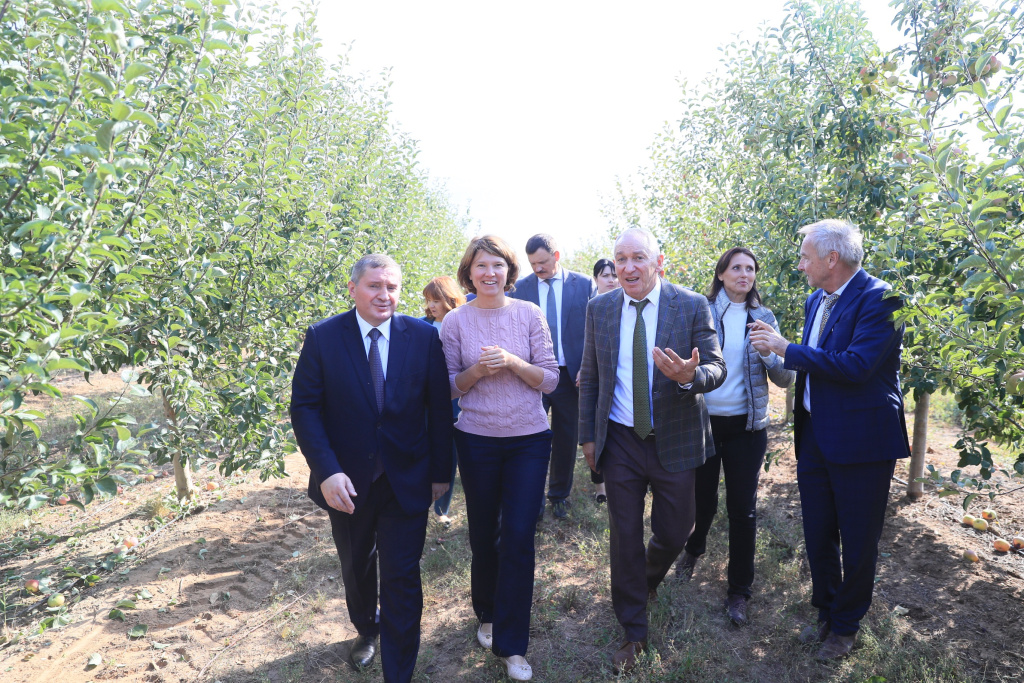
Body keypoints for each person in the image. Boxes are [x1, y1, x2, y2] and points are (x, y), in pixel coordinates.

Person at [749, 219, 910, 660]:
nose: (800, 264)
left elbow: (856, 366)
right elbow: (817, 364)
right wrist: (777, 355)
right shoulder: (815, 299)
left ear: (831, 259)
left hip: (861, 440)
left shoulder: (882, 299)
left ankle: (846, 626)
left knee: (858, 538)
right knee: (819, 530)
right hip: (816, 434)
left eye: (805, 256)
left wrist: (786, 349)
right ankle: (825, 612)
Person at [290, 255, 453, 683]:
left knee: (401, 576)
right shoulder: (324, 338)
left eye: (393, 287)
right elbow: (305, 408)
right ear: (353, 288)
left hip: (407, 478)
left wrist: (441, 472)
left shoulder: (421, 337)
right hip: (345, 482)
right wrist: (326, 470)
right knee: (357, 565)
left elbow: (438, 409)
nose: (385, 295)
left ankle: (398, 672)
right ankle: (366, 627)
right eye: (375, 286)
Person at [578, 228, 726, 675]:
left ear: (659, 261)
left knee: (677, 530)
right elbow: (591, 375)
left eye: (637, 258)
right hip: (621, 438)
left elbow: (716, 369)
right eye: (620, 259)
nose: (627, 268)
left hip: (674, 438)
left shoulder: (692, 304)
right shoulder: (599, 309)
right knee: (624, 535)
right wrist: (588, 436)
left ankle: (645, 580)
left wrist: (687, 376)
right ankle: (633, 629)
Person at [441, 235, 559, 681]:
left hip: (529, 439)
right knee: (484, 532)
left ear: (510, 272)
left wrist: (511, 361)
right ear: (468, 273)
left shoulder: (529, 314)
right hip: (476, 440)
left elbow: (549, 380)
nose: (489, 273)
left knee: (518, 536)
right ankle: (487, 612)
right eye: (480, 266)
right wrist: (475, 371)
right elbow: (449, 387)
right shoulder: (455, 322)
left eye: (497, 265)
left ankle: (512, 645)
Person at [673, 247, 795, 627]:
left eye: (751, 269)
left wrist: (772, 354)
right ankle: (694, 548)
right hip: (704, 423)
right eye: (737, 268)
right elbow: (685, 365)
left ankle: (739, 592)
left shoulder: (764, 318)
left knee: (742, 510)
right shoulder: (700, 310)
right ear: (722, 273)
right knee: (703, 503)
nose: (745, 274)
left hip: (747, 428)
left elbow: (786, 377)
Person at [508, 234, 596, 520]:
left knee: (566, 437)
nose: (538, 268)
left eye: (543, 262)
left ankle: (559, 495)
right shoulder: (520, 290)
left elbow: (593, 331)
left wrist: (588, 364)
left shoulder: (583, 285)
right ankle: (529, 496)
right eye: (533, 263)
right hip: (532, 374)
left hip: (570, 376)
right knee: (529, 436)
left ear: (556, 256)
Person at [421, 276, 467, 525]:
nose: (431, 305)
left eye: (436, 300)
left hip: (457, 403)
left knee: (449, 458)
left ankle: (441, 510)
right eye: (428, 300)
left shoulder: (463, 323)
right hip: (427, 404)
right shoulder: (421, 326)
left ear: (449, 299)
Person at [587, 258, 620, 504]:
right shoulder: (592, 307)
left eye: (614, 275)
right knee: (596, 433)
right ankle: (600, 487)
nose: (611, 280)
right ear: (596, 278)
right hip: (593, 380)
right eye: (605, 275)